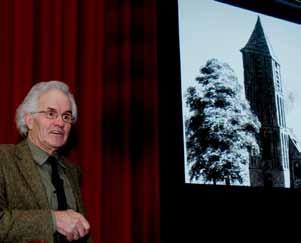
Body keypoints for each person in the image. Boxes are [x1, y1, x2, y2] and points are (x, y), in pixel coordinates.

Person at [0, 81, 92, 243]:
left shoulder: (72, 170)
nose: (60, 123)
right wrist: (53, 221)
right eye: (51, 114)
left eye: (66, 116)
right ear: (29, 120)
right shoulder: (4, 158)